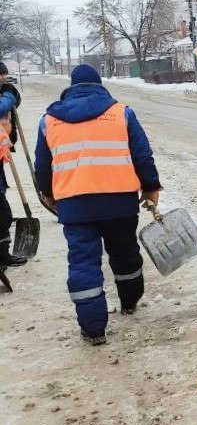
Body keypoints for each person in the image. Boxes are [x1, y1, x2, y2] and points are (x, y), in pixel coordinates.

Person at [34, 65, 161, 346]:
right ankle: (130, 302)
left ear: (70, 88)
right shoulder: (121, 113)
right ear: (100, 85)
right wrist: (151, 187)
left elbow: (43, 167)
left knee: (83, 264)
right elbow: (143, 155)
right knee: (125, 253)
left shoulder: (49, 121)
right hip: (120, 202)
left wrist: (48, 194)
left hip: (75, 206)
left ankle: (93, 331)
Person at [0, 62, 25, 268]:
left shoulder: (6, 92)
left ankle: (2, 253)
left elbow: (10, 103)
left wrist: (11, 95)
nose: (2, 79)